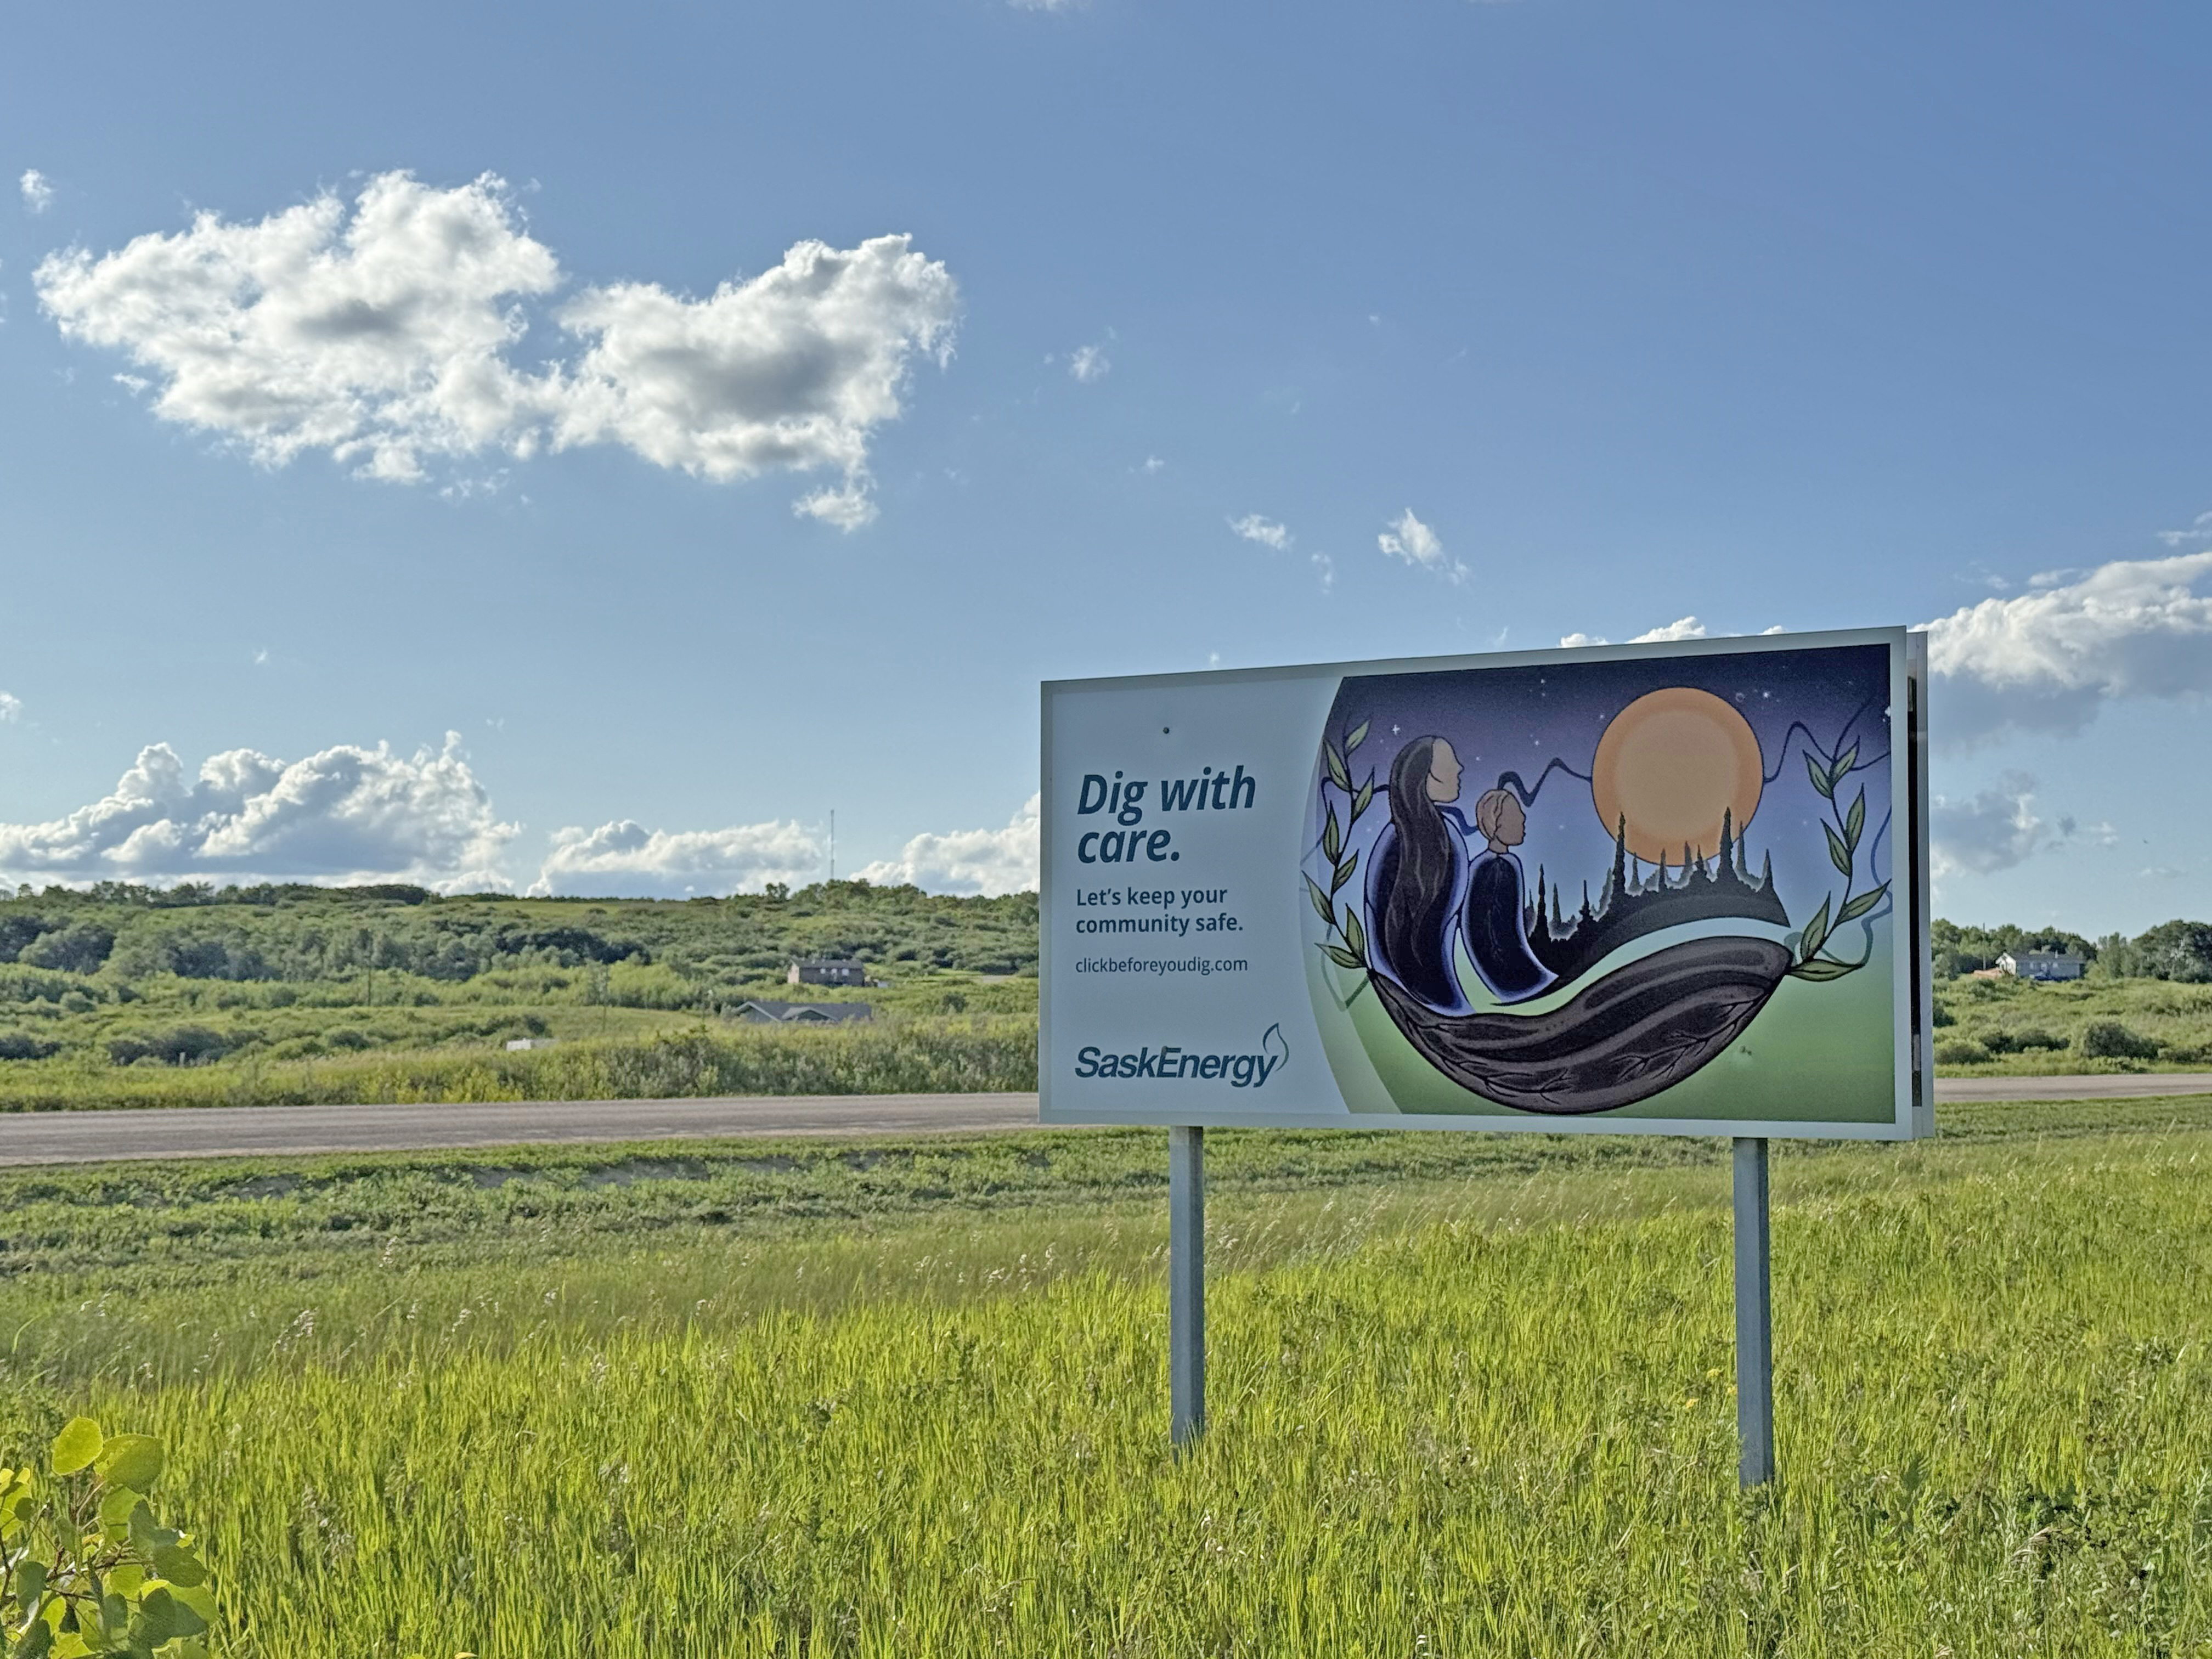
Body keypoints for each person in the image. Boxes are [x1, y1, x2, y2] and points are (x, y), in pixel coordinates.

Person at [1367, 736, 1471, 1012]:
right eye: (1449, 763)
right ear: (1424, 776)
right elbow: (1378, 929)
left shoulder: (1447, 838)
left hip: (1443, 997)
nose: (1460, 768)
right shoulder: (1394, 843)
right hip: (1412, 1002)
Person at [1463, 788, 1557, 1002]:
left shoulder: (1503, 864)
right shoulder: (1497, 867)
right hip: (1507, 976)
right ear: (1496, 823)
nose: (1523, 820)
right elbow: (1496, 933)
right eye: (1515, 815)